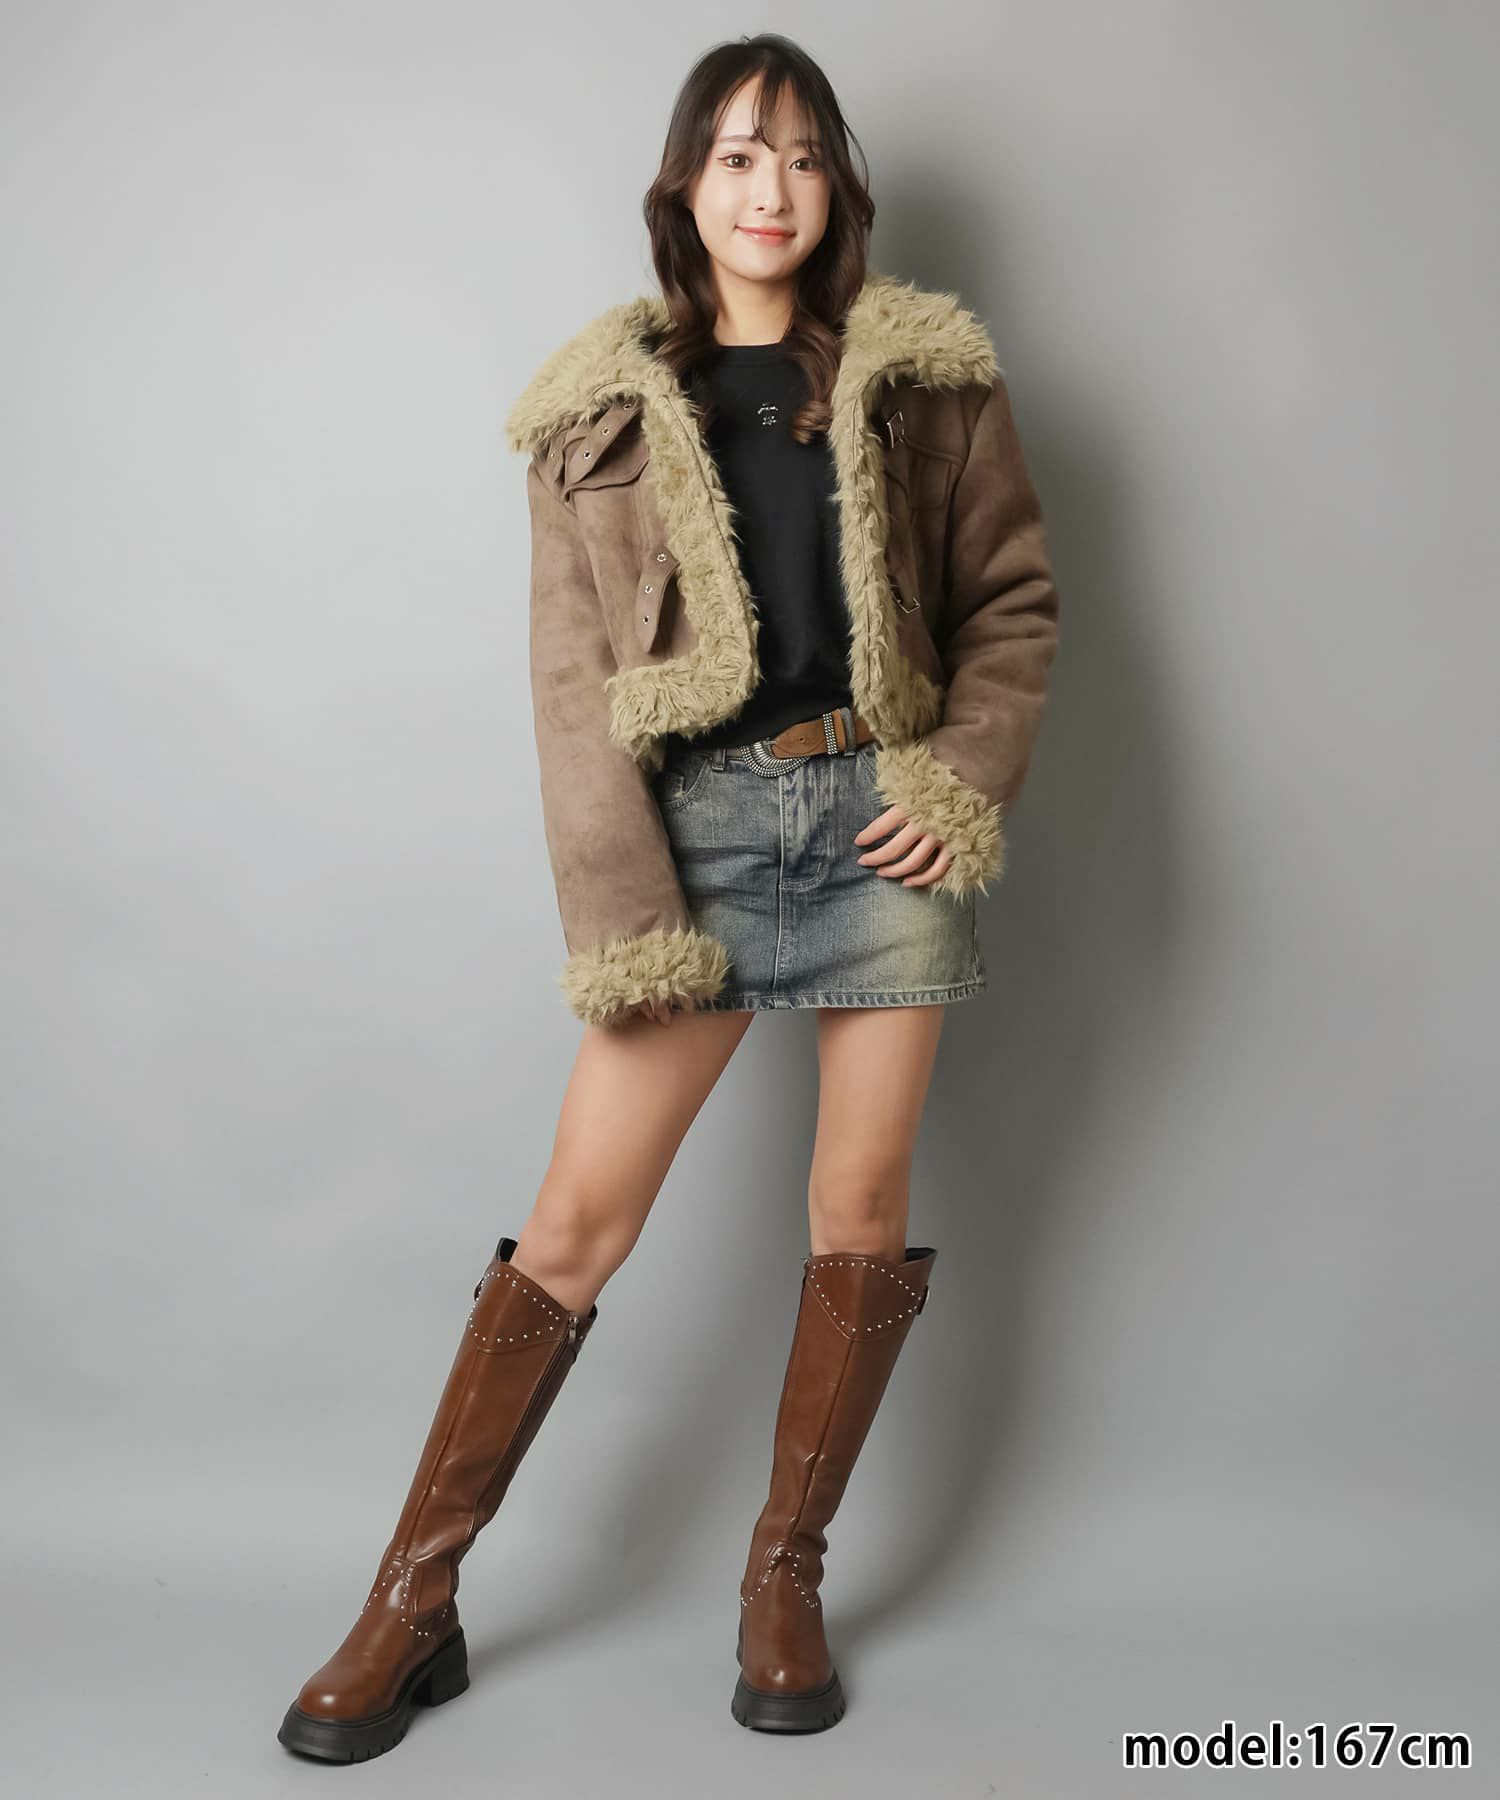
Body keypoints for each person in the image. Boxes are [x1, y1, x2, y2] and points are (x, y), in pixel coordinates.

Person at [277, 30, 1060, 1762]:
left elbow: (1011, 605)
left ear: (838, 186)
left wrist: (956, 783)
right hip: (691, 836)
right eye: (737, 155)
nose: (771, 189)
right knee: (574, 1224)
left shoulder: (927, 381)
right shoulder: (598, 411)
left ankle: (785, 1578)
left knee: (858, 1207)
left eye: (801, 156)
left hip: (879, 825)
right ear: (686, 186)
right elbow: (573, 699)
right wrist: (624, 911)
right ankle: (412, 1600)